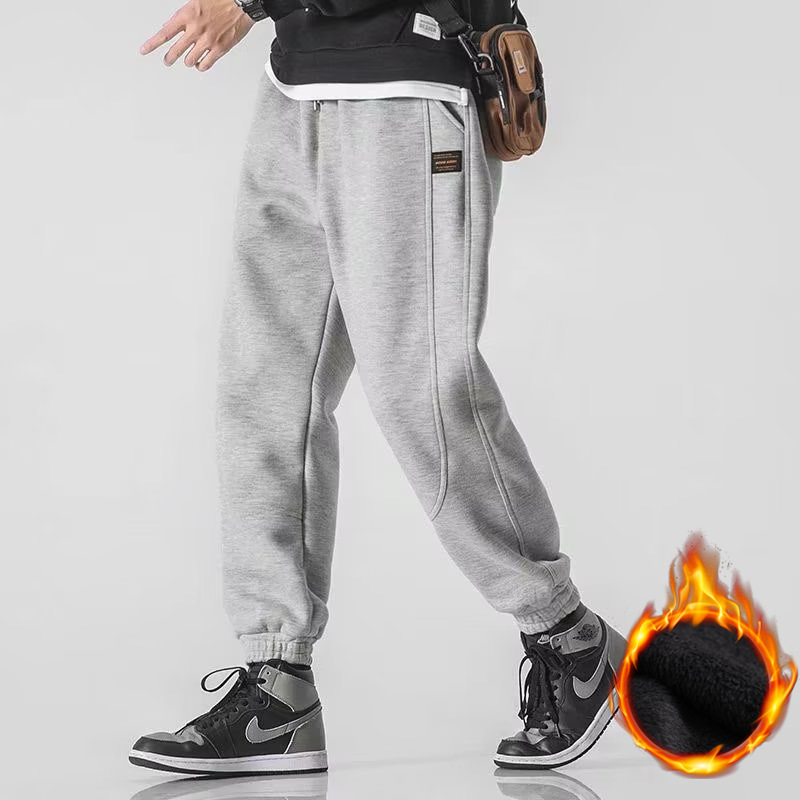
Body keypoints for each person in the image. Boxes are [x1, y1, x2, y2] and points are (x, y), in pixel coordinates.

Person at [129, 0, 627, 776]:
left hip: (407, 87)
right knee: (265, 390)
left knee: (419, 387)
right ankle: (277, 686)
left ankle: (568, 636)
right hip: (295, 90)